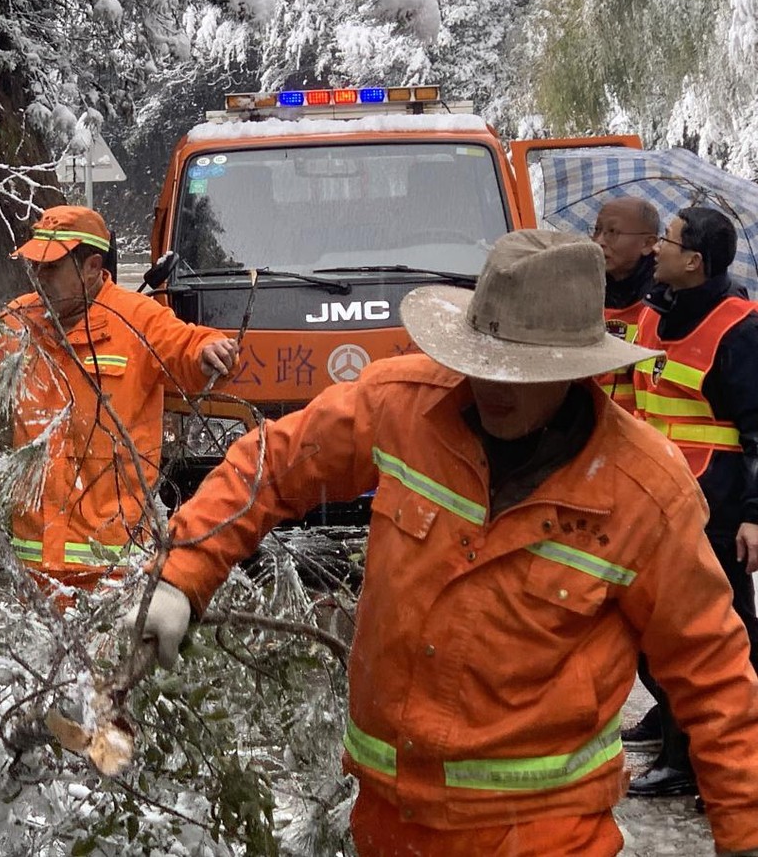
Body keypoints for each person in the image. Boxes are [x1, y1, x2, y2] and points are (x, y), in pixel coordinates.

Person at [126, 230, 758, 856]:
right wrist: (182, 575)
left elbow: (715, 678)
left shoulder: (642, 492)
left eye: (520, 372)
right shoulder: (405, 406)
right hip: (389, 826)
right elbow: (272, 463)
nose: (492, 387)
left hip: (544, 837)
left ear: (573, 373)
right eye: (481, 362)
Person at [0, 205, 238, 590]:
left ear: (92, 267)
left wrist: (212, 351)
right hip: (34, 569)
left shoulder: (138, 319)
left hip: (112, 574)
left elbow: (190, 345)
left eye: (51, 268)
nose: (39, 278)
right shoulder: (17, 323)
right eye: (36, 267)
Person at [623, 205, 758, 797]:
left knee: (717, 635)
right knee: (652, 625)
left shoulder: (741, 330)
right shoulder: (657, 311)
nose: (656, 249)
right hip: (660, 499)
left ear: (694, 260)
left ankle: (704, 761)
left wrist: (754, 515)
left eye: (668, 242)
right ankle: (679, 731)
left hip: (719, 507)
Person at [590, 196, 660, 412]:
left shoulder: (663, 299)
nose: (599, 241)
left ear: (648, 244)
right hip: (585, 426)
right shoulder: (583, 288)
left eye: (612, 232)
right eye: (597, 230)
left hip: (639, 430)